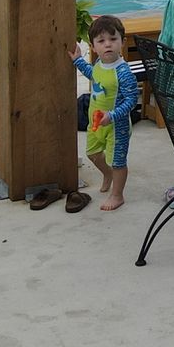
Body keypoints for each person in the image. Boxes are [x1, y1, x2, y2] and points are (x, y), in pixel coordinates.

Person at [72, 14, 139, 211]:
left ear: (122, 42)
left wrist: (112, 115)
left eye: (113, 39)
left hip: (116, 126)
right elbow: (93, 75)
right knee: (92, 153)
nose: (107, 45)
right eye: (101, 41)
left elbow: (131, 101)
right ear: (93, 47)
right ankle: (107, 174)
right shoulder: (99, 65)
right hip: (96, 122)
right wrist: (77, 61)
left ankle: (117, 195)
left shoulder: (124, 72)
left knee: (118, 162)